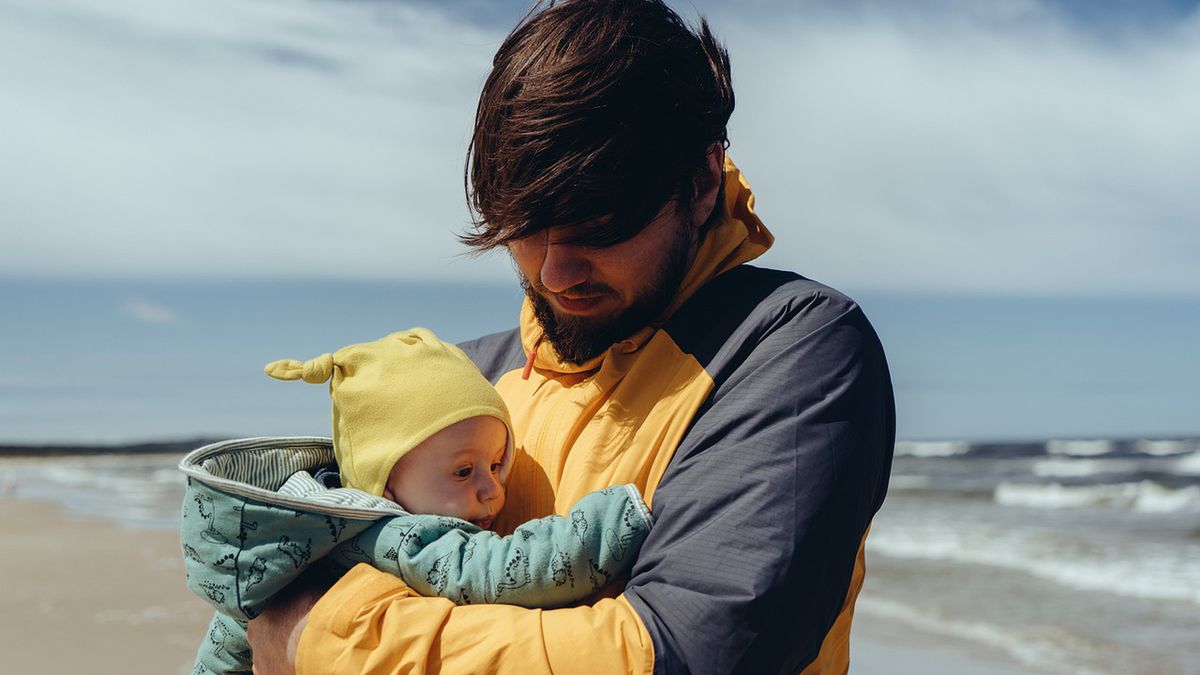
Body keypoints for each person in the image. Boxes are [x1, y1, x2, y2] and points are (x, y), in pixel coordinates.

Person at [248, 1, 896, 673]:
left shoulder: (792, 350)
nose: (555, 274)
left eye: (600, 225)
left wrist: (318, 637)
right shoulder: (469, 381)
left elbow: (683, 651)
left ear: (701, 182)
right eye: (525, 228)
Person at [180, 329, 651, 674]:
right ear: (385, 485)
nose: (492, 489)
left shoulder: (300, 533)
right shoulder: (402, 536)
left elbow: (225, 640)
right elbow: (505, 570)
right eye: (463, 472)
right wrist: (614, 520)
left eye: (496, 464)